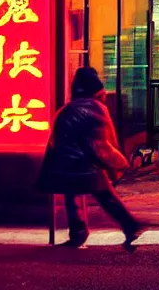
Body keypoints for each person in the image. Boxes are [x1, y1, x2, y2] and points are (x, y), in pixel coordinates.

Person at [37, 67, 151, 250]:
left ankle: (80, 234)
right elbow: (100, 144)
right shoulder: (94, 109)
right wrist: (118, 163)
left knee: (74, 198)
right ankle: (129, 226)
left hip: (66, 162)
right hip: (82, 163)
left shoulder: (72, 108)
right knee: (105, 195)